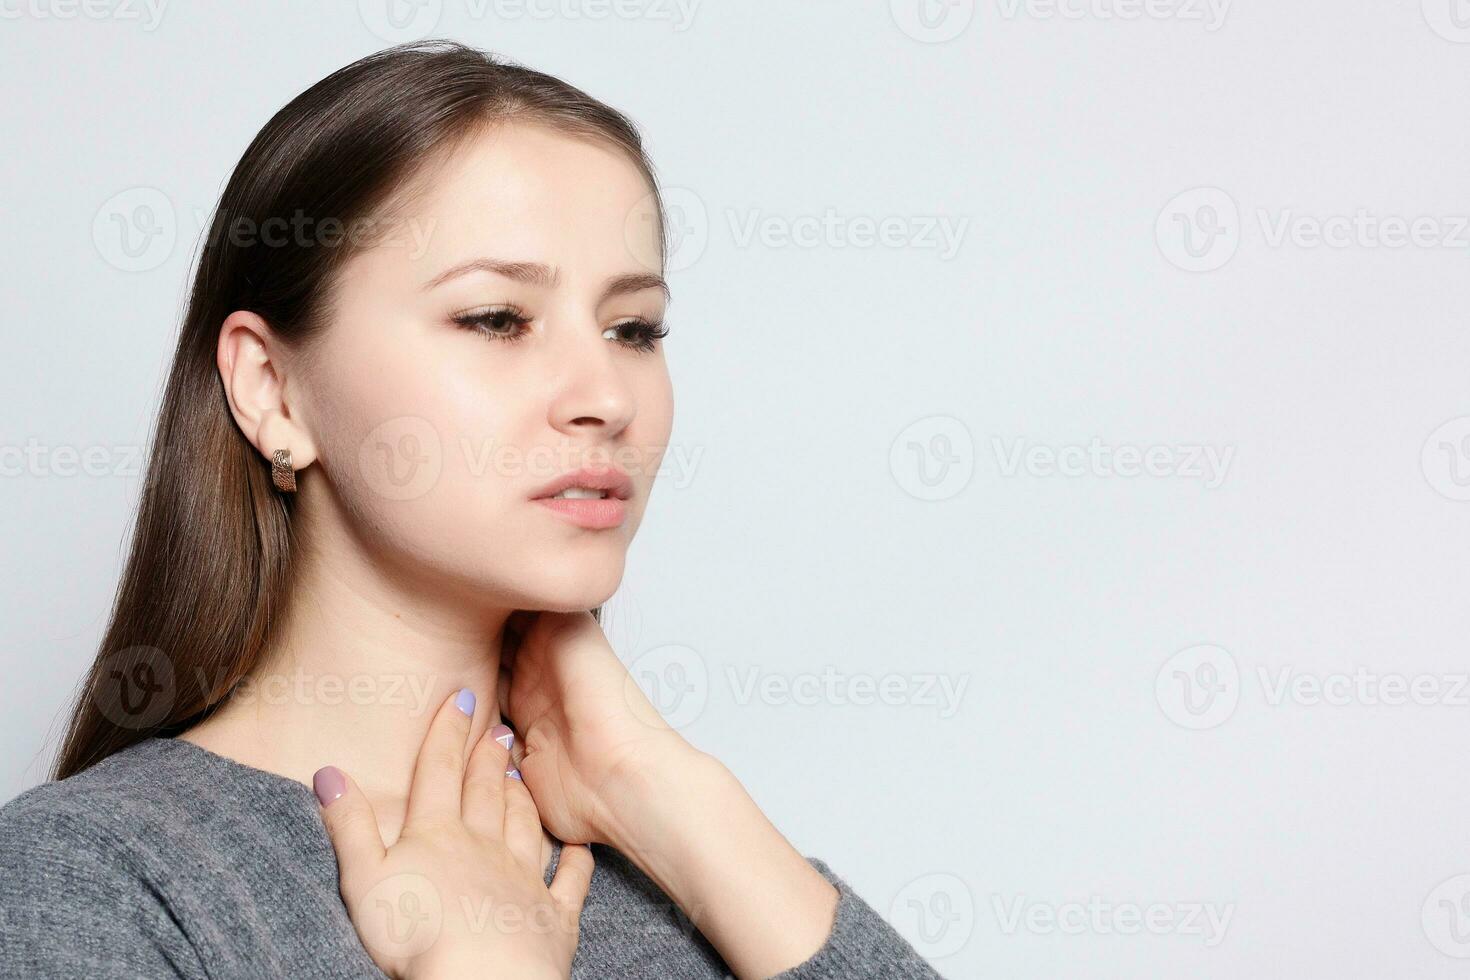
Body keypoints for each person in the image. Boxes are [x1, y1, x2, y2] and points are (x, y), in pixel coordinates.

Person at [0, 41, 942, 979]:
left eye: (633, 329)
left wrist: (671, 796)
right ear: (272, 390)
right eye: (497, 318)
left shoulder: (681, 859)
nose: (605, 396)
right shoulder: (95, 884)